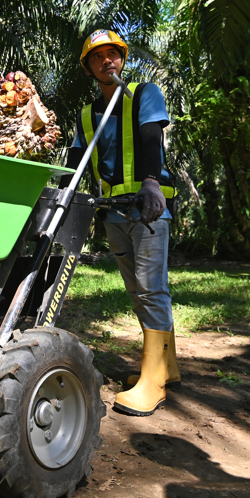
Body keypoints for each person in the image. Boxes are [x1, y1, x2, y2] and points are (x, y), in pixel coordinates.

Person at [63, 29, 179, 417]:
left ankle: (155, 382)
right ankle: (166, 367)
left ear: (122, 59)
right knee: (136, 290)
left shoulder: (144, 94)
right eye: (97, 58)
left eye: (113, 54)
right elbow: (76, 164)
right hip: (113, 212)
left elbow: (150, 138)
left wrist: (151, 183)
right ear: (88, 68)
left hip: (147, 209)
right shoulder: (85, 114)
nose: (106, 61)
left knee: (151, 289)